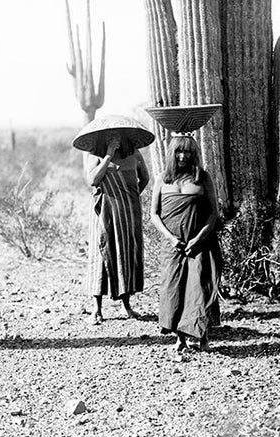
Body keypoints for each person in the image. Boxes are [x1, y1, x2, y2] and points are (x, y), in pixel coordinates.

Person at [150, 134, 221, 358]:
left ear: (194, 154)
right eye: (178, 151)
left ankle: (203, 337)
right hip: (172, 245)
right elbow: (153, 214)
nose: (182, 155)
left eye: (187, 152)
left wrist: (199, 238)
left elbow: (213, 213)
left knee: (199, 288)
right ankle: (180, 339)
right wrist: (171, 238)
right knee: (174, 288)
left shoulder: (203, 178)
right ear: (171, 154)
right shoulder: (163, 179)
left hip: (200, 243)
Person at [86, 134, 150, 324]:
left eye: (118, 135)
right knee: (101, 254)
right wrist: (107, 156)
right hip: (103, 211)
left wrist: (130, 196)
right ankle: (96, 309)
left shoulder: (135, 155)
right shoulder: (95, 155)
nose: (115, 139)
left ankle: (126, 305)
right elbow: (93, 180)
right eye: (110, 136)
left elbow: (145, 178)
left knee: (125, 254)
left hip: (128, 212)